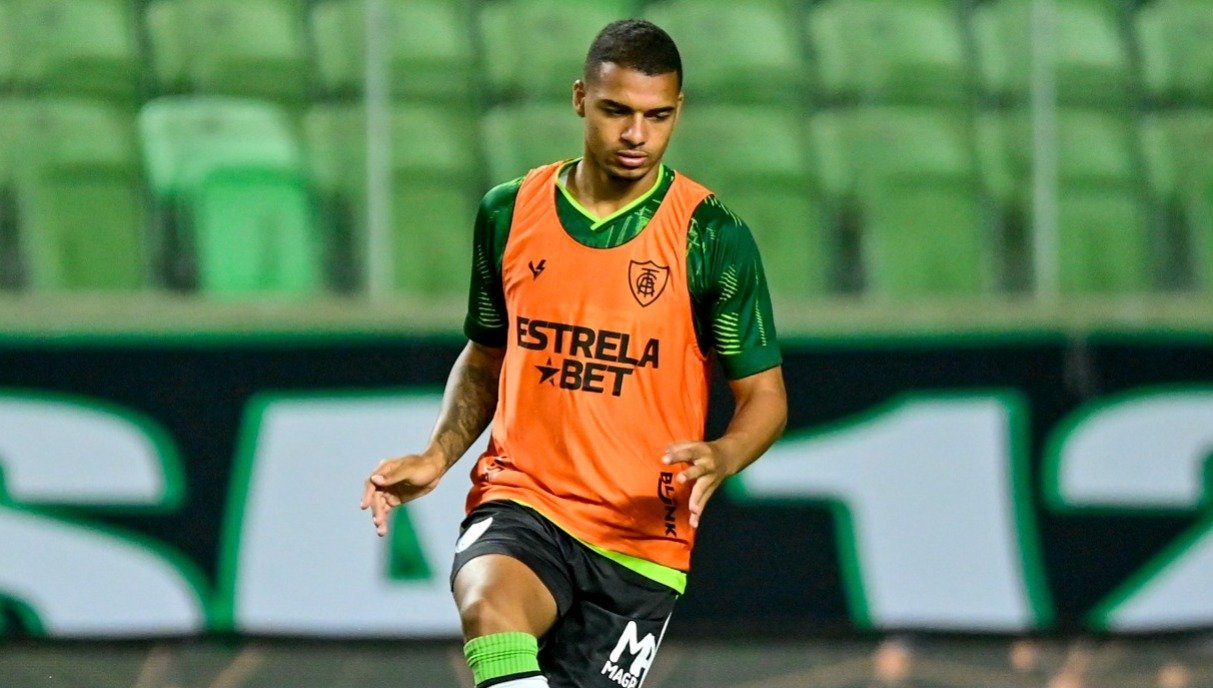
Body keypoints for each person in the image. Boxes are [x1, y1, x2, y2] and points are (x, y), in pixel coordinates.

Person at [361, 18, 787, 688]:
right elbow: (483, 357)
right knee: (488, 606)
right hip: (522, 501)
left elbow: (763, 395)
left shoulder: (711, 237)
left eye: (657, 116)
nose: (635, 136)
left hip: (641, 541)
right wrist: (438, 455)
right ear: (580, 98)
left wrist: (724, 454)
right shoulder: (510, 213)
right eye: (617, 110)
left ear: (678, 112)